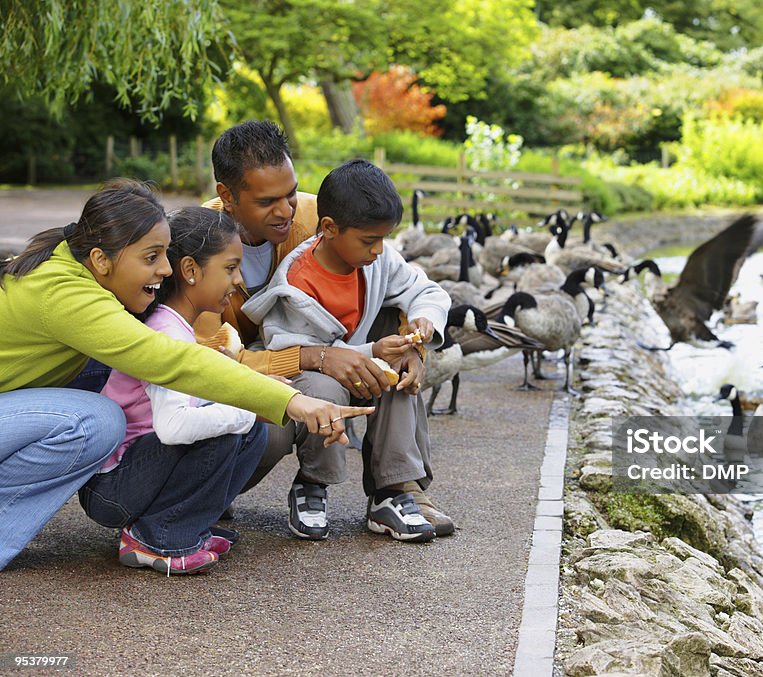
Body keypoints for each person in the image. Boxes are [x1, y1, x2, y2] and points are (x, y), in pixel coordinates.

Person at [0, 180, 370, 571]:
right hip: (94, 472)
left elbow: (182, 362)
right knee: (96, 421)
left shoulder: (79, 268)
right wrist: (289, 401)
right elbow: (173, 361)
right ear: (101, 258)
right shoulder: (67, 296)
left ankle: (173, 527)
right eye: (151, 257)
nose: (165, 268)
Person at [198, 121, 455, 541]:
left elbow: (403, 278)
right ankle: (209, 488)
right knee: (270, 431)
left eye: (290, 193)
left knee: (396, 351)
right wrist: (316, 357)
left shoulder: (320, 215)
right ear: (227, 196)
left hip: (339, 348)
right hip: (248, 372)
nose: (286, 211)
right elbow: (209, 359)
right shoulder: (197, 242)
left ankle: (399, 488)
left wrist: (413, 343)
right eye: (267, 201)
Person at [78, 207, 266, 575]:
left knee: (250, 431)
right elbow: (173, 428)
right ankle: (157, 536)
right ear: (191, 271)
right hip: (112, 489)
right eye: (230, 268)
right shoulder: (167, 332)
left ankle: (187, 525)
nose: (239, 280)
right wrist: (244, 410)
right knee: (229, 430)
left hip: (139, 473)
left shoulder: (180, 327)